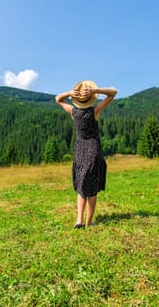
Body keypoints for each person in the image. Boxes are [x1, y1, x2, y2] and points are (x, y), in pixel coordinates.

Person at [55, 80, 117, 229]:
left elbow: (57, 99)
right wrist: (97, 91)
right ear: (91, 98)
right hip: (93, 149)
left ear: (77, 99)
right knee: (92, 187)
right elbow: (113, 93)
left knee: (81, 185)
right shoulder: (94, 111)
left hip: (80, 150)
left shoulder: (73, 112)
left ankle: (79, 221)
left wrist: (70, 93)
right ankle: (89, 223)